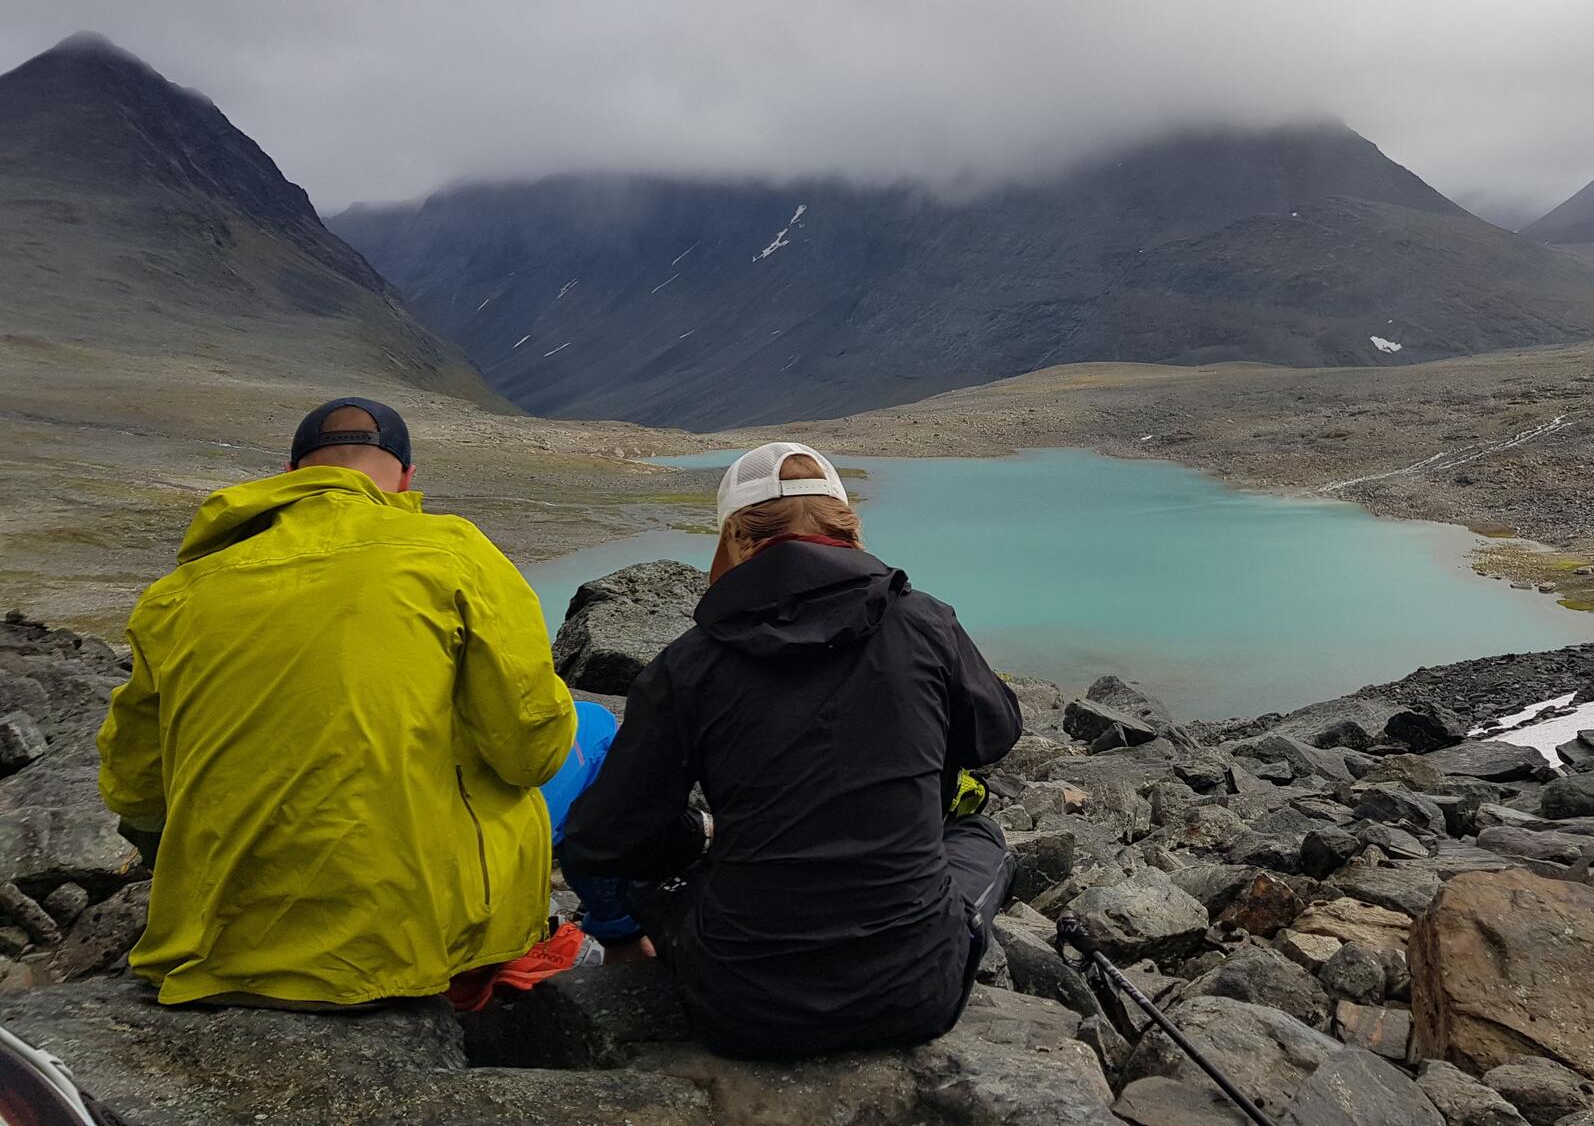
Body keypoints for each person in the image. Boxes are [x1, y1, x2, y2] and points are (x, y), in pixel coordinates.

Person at [96, 397, 587, 1007]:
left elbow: (134, 789)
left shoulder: (174, 595)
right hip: (399, 946)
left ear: (289, 477)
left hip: (208, 952)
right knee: (587, 728)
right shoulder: (453, 550)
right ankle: (553, 943)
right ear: (407, 479)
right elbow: (532, 753)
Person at [559, 442, 1022, 1058]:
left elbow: (606, 836)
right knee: (979, 838)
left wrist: (699, 838)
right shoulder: (924, 623)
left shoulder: (689, 664)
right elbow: (994, 734)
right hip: (915, 995)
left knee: (666, 886)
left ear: (735, 538)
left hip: (743, 1007)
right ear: (848, 526)